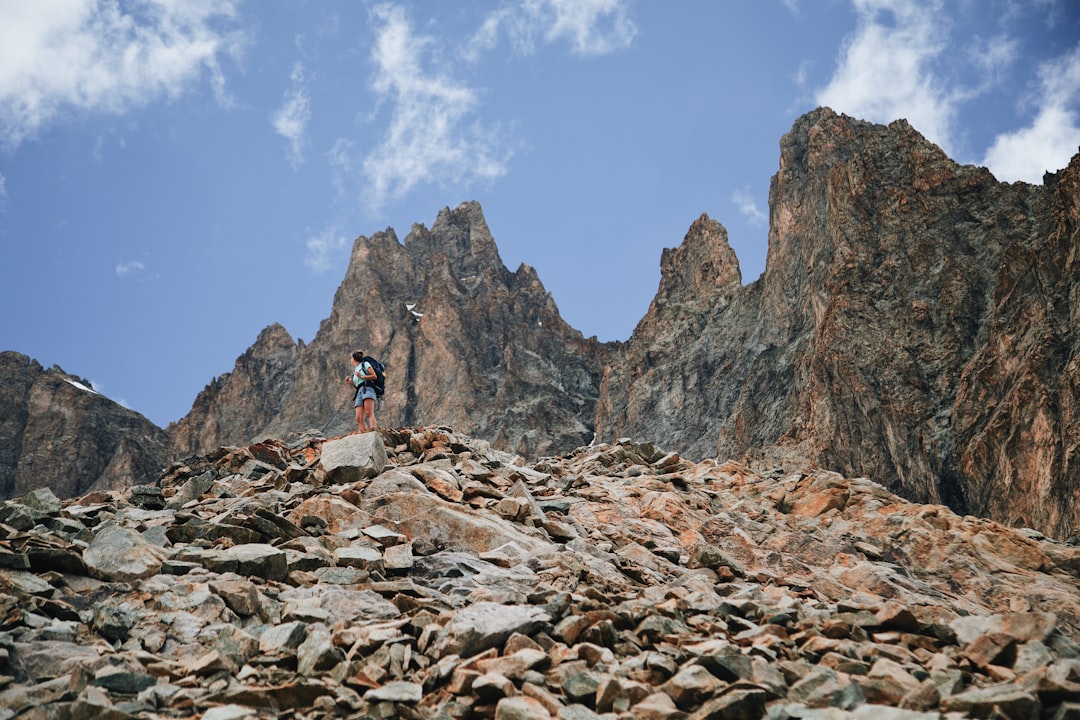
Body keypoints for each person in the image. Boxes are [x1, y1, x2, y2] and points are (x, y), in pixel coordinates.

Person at [349, 350, 378, 432]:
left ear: (354, 358)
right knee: (358, 417)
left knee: (369, 412)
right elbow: (357, 385)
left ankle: (373, 431)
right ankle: (363, 433)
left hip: (368, 388)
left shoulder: (365, 364)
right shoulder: (355, 370)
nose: (351, 359)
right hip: (359, 391)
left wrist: (362, 376)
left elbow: (374, 376)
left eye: (351, 357)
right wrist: (351, 383)